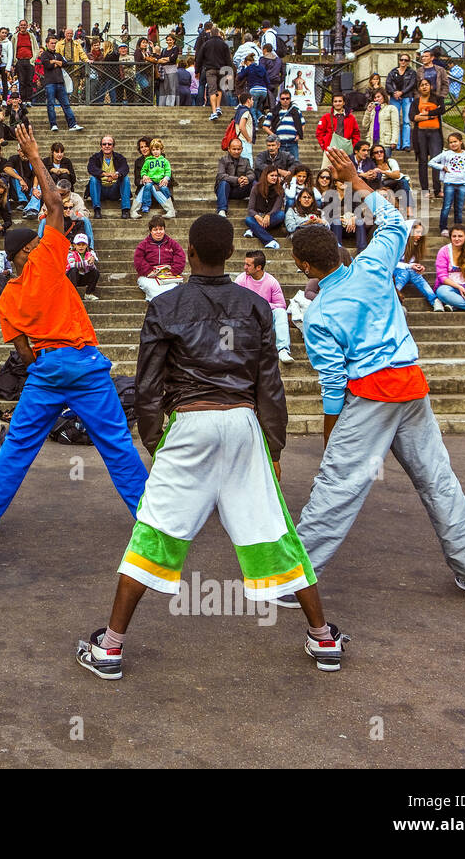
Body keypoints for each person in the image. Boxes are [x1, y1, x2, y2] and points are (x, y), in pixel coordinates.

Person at [74, 212, 346, 681]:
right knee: (274, 530)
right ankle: (323, 637)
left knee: (154, 531)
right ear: (230, 257)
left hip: (190, 424)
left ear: (191, 253)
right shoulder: (256, 305)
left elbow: (148, 386)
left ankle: (111, 648)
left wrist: (158, 442)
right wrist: (274, 449)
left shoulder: (165, 306)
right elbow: (270, 386)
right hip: (242, 422)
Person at [285, 148, 465, 606]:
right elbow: (397, 223)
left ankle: (296, 577)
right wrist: (355, 182)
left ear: (304, 267)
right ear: (338, 252)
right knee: (439, 481)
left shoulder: (318, 313)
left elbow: (333, 385)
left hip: (370, 394)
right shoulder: (373, 265)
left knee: (337, 487)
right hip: (410, 384)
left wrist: (330, 438)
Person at [0, 125, 148, 539]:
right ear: (29, 249)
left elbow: (21, 353)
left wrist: (44, 368)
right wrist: (34, 155)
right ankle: (150, 518)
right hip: (84, 361)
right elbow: (56, 203)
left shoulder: (8, 297)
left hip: (45, 367)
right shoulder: (45, 258)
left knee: (17, 448)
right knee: (116, 445)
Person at [237, 249, 294, 363]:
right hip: (248, 318)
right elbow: (236, 303)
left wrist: (262, 304)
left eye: (248, 265)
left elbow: (281, 305)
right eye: (245, 264)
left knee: (281, 313)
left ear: (258, 267)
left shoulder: (272, 282)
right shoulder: (241, 279)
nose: (244, 267)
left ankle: (282, 350)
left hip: (266, 318)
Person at [428, 133, 465, 234]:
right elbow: (431, 162)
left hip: (462, 183)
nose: (453, 144)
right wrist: (442, 167)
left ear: (460, 142)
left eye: (455, 141)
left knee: (459, 207)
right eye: (450, 142)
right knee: (446, 206)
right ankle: (443, 227)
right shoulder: (446, 154)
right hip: (449, 183)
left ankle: (458, 228)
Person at [133, 215, 185, 301]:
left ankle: (156, 299)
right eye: (155, 230)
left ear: (164, 230)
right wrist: (149, 271)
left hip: (168, 276)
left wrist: (174, 271)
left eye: (161, 229)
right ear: (150, 231)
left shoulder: (172, 244)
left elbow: (180, 257)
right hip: (149, 276)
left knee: (173, 287)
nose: (158, 232)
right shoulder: (143, 245)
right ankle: (159, 300)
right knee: (148, 285)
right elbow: (138, 259)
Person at [410, 79, 445, 198]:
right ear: (419, 88)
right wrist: (430, 116)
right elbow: (412, 117)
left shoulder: (438, 99)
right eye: (422, 85)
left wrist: (423, 115)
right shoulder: (415, 102)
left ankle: (437, 189)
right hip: (420, 134)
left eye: (426, 85)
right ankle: (425, 190)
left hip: (435, 133)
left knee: (436, 161)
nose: (424, 87)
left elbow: (442, 110)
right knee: (423, 161)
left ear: (431, 86)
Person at [87, 136, 129, 219]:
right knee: (93, 179)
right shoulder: (95, 157)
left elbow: (125, 168)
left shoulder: (119, 157)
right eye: (104, 144)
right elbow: (91, 168)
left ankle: (125, 210)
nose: (107, 146)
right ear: (101, 146)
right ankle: (97, 209)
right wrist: (105, 174)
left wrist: (116, 174)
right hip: (100, 190)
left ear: (113, 146)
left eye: (109, 144)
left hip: (114, 190)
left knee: (126, 178)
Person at [244, 167, 285, 250]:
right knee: (248, 220)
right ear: (265, 176)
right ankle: (269, 241)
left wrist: (268, 215)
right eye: (272, 175)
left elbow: (277, 207)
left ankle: (254, 230)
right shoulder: (256, 188)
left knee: (281, 215)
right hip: (258, 217)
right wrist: (257, 216)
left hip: (272, 217)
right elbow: (250, 209)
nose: (274, 178)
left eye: (276, 176)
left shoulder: (280, 189)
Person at [66, 232, 99, 300]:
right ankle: (72, 294)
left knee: (95, 272)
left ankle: (88, 293)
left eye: (83, 244)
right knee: (73, 270)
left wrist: (91, 263)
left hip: (83, 277)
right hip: (72, 278)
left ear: (86, 245)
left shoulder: (89, 254)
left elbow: (92, 269)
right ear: (74, 245)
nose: (81, 246)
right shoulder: (70, 254)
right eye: (78, 244)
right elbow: (72, 264)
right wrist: (86, 262)